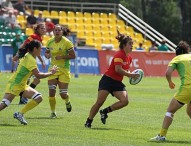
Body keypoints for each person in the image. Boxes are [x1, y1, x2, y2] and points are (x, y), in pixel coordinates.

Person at [84, 31, 140, 128]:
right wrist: (130, 75)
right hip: (107, 81)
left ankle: (105, 112)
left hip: (117, 82)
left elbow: (125, 70)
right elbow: (117, 69)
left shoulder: (129, 58)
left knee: (125, 101)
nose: (132, 45)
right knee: (99, 102)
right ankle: (88, 121)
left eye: (132, 43)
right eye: (130, 43)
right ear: (124, 45)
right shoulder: (119, 55)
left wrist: (131, 75)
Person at [0, 40, 58, 125]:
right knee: (4, 104)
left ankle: (19, 113)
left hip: (21, 84)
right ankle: (19, 113)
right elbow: (38, 75)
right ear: (35, 49)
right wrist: (51, 73)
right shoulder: (30, 59)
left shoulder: (28, 56)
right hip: (16, 84)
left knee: (38, 98)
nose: (41, 50)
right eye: (40, 48)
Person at [150, 41, 191, 141]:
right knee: (190, 111)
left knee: (170, 111)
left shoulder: (177, 58)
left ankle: (161, 136)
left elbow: (168, 73)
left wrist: (170, 82)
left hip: (188, 88)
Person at [45, 24, 76, 118]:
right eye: (56, 30)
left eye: (59, 30)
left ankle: (67, 101)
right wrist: (47, 55)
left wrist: (62, 56)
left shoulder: (67, 42)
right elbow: (46, 52)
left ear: (62, 32)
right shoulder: (50, 41)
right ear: (53, 32)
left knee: (63, 94)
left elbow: (73, 56)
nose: (57, 31)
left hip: (64, 70)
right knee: (51, 91)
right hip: (53, 69)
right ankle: (53, 112)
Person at [13, 22, 46, 104]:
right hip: (27, 60)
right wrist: (17, 55)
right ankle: (23, 97)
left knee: (34, 80)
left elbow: (36, 52)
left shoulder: (40, 38)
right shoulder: (33, 36)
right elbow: (24, 44)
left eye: (44, 28)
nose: (43, 30)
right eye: (41, 28)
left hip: (31, 60)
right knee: (33, 79)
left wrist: (42, 61)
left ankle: (23, 98)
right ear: (37, 29)